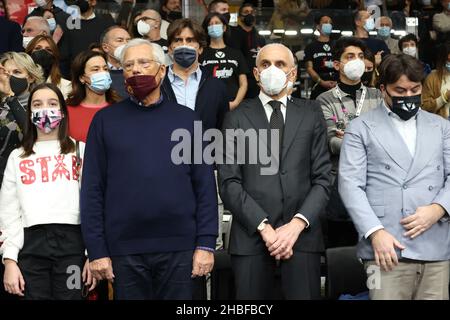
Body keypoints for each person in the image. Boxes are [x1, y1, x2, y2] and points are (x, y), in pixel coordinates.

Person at [80, 39, 218, 300]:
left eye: (144, 63)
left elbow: (205, 186)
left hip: (182, 250)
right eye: (128, 65)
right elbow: (92, 190)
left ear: (162, 70)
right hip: (124, 251)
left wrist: (206, 243)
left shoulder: (187, 120)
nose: (135, 70)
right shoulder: (104, 121)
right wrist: (97, 250)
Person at [218, 43, 332, 299]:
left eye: (280, 64)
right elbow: (229, 181)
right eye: (265, 64)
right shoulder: (235, 117)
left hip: (302, 238)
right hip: (251, 238)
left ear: (292, 73)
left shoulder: (312, 113)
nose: (272, 70)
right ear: (256, 74)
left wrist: (295, 226)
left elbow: (323, 179)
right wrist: (265, 228)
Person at [339, 54, 450, 300]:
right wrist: (375, 232)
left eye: (415, 89)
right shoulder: (360, 127)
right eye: (399, 90)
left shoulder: (441, 126)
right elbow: (350, 184)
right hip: (383, 247)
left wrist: (439, 208)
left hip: (436, 245)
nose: (408, 96)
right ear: (383, 89)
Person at [0, 83, 96, 299]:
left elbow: (93, 204)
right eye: (37, 104)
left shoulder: (80, 150)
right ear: (30, 112)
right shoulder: (18, 157)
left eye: (52, 104)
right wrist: (10, 260)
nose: (45, 109)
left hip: (73, 246)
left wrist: (93, 253)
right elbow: (8, 213)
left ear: (62, 111)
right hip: (31, 248)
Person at [317, 37, 382, 248]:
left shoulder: (378, 96)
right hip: (339, 184)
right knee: (341, 250)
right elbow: (331, 144)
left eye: (361, 57)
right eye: (350, 56)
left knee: (372, 250)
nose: (357, 61)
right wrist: (369, 139)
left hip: (375, 182)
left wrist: (349, 138)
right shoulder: (324, 99)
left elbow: (387, 141)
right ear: (337, 64)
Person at [162, 18, 229, 131]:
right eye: (178, 40)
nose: (184, 45)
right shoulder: (158, 82)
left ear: (200, 48)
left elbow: (222, 126)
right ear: (170, 48)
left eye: (190, 40)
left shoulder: (216, 86)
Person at [0, 52, 45, 186]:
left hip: (27, 180)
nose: (10, 77)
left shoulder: (42, 104)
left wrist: (10, 97)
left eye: (17, 72)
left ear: (30, 77)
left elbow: (34, 135)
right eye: (6, 73)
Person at [66, 50, 120, 143]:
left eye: (105, 69)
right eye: (96, 69)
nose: (103, 73)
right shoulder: (67, 111)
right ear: (82, 78)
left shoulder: (120, 108)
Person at [200, 13, 248, 110]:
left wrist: (235, 103)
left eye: (217, 23)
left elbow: (243, 83)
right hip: (209, 106)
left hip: (234, 106)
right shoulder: (201, 54)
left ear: (224, 28)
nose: (213, 26)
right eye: (210, 24)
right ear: (206, 29)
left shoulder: (236, 53)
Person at [228, 3, 266, 99]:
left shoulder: (260, 38)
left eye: (252, 12)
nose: (249, 14)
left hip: (255, 81)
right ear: (240, 17)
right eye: (246, 12)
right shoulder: (231, 35)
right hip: (236, 80)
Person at [25, 35, 72, 99]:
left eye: (49, 50)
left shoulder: (67, 86)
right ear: (29, 54)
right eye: (37, 48)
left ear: (55, 57)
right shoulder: (20, 82)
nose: (43, 52)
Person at [304, 14, 338, 99]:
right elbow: (309, 68)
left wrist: (338, 82)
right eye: (325, 22)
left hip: (337, 85)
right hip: (318, 85)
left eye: (330, 23)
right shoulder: (311, 47)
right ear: (318, 27)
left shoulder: (338, 45)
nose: (328, 24)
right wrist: (321, 82)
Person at [100, 26, 131, 98]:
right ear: (105, 47)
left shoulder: (137, 70)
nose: (126, 44)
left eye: (128, 41)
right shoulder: (99, 73)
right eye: (120, 40)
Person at [422, 41, 450, 120]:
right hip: (441, 124)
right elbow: (425, 107)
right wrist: (444, 97)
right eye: (449, 60)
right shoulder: (432, 78)